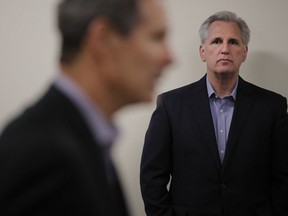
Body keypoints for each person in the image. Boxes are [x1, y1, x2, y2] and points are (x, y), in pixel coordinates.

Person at [0, 0, 172, 215]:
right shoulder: (43, 153)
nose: (170, 58)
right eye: (157, 37)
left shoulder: (81, 136)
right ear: (103, 39)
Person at [140, 11, 288, 216]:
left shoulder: (272, 107)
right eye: (217, 41)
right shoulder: (171, 105)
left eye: (233, 42)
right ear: (202, 52)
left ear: (244, 52)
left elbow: (282, 177)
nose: (225, 49)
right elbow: (152, 176)